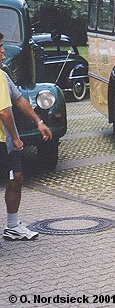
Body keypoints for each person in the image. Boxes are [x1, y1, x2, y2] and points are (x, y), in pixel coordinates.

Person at [0, 32, 53, 240]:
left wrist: (38, 122)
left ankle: (12, 226)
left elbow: (19, 99)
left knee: (16, 178)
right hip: (5, 140)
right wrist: (16, 137)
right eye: (0, 46)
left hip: (5, 142)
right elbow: (4, 111)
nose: (3, 50)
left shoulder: (3, 76)